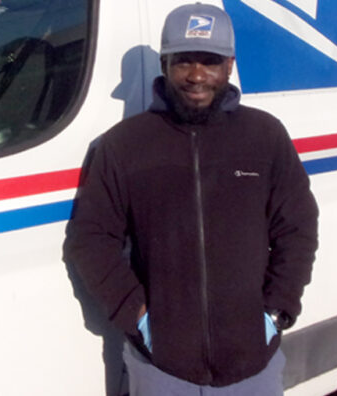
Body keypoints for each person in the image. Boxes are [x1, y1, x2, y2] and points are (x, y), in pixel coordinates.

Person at [63, 3, 319, 395]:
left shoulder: (264, 136)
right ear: (165, 64)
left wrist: (277, 310)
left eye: (210, 61)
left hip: (253, 365)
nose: (196, 75)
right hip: (161, 369)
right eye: (183, 61)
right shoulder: (123, 146)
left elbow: (297, 227)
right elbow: (90, 238)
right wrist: (137, 317)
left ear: (229, 65)